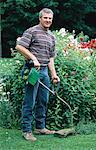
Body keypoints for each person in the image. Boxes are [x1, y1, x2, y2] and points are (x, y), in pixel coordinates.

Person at [15, 8, 60, 142]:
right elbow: (19, 47)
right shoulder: (32, 31)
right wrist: (33, 58)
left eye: (50, 18)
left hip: (45, 71)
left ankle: (40, 127)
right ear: (40, 18)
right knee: (30, 100)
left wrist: (54, 75)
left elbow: (51, 58)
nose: (48, 20)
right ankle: (26, 130)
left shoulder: (51, 37)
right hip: (33, 71)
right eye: (45, 18)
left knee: (43, 100)